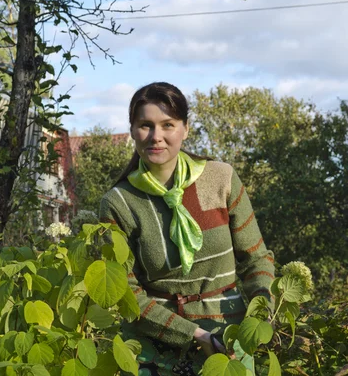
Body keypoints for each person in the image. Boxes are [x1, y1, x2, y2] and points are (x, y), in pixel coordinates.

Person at [99, 82, 275, 375]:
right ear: (132, 131)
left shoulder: (221, 179)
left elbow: (257, 259)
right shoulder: (119, 202)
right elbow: (127, 295)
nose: (156, 137)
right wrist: (194, 334)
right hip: (155, 349)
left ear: (185, 128)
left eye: (168, 124)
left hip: (229, 340)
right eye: (146, 125)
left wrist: (260, 312)